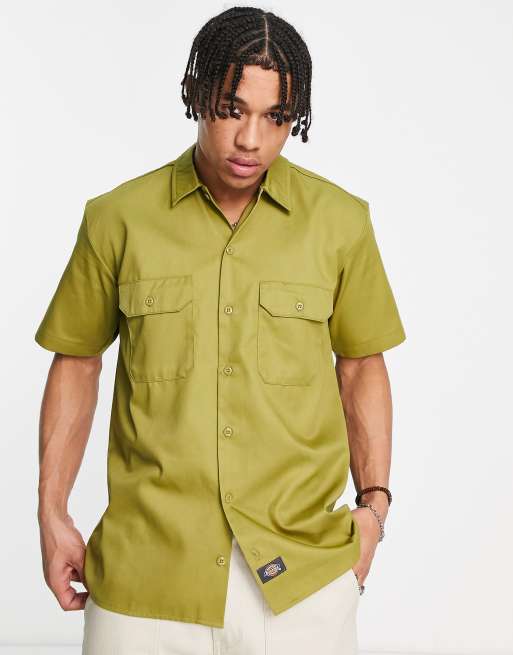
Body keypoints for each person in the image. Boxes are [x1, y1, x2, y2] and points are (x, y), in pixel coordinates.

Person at [35, 6, 406, 654]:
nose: (250, 139)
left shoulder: (340, 223)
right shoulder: (118, 219)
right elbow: (77, 360)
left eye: (276, 117)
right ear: (196, 93)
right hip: (146, 581)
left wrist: (373, 508)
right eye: (232, 110)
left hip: (302, 581)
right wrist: (51, 509)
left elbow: (360, 366)